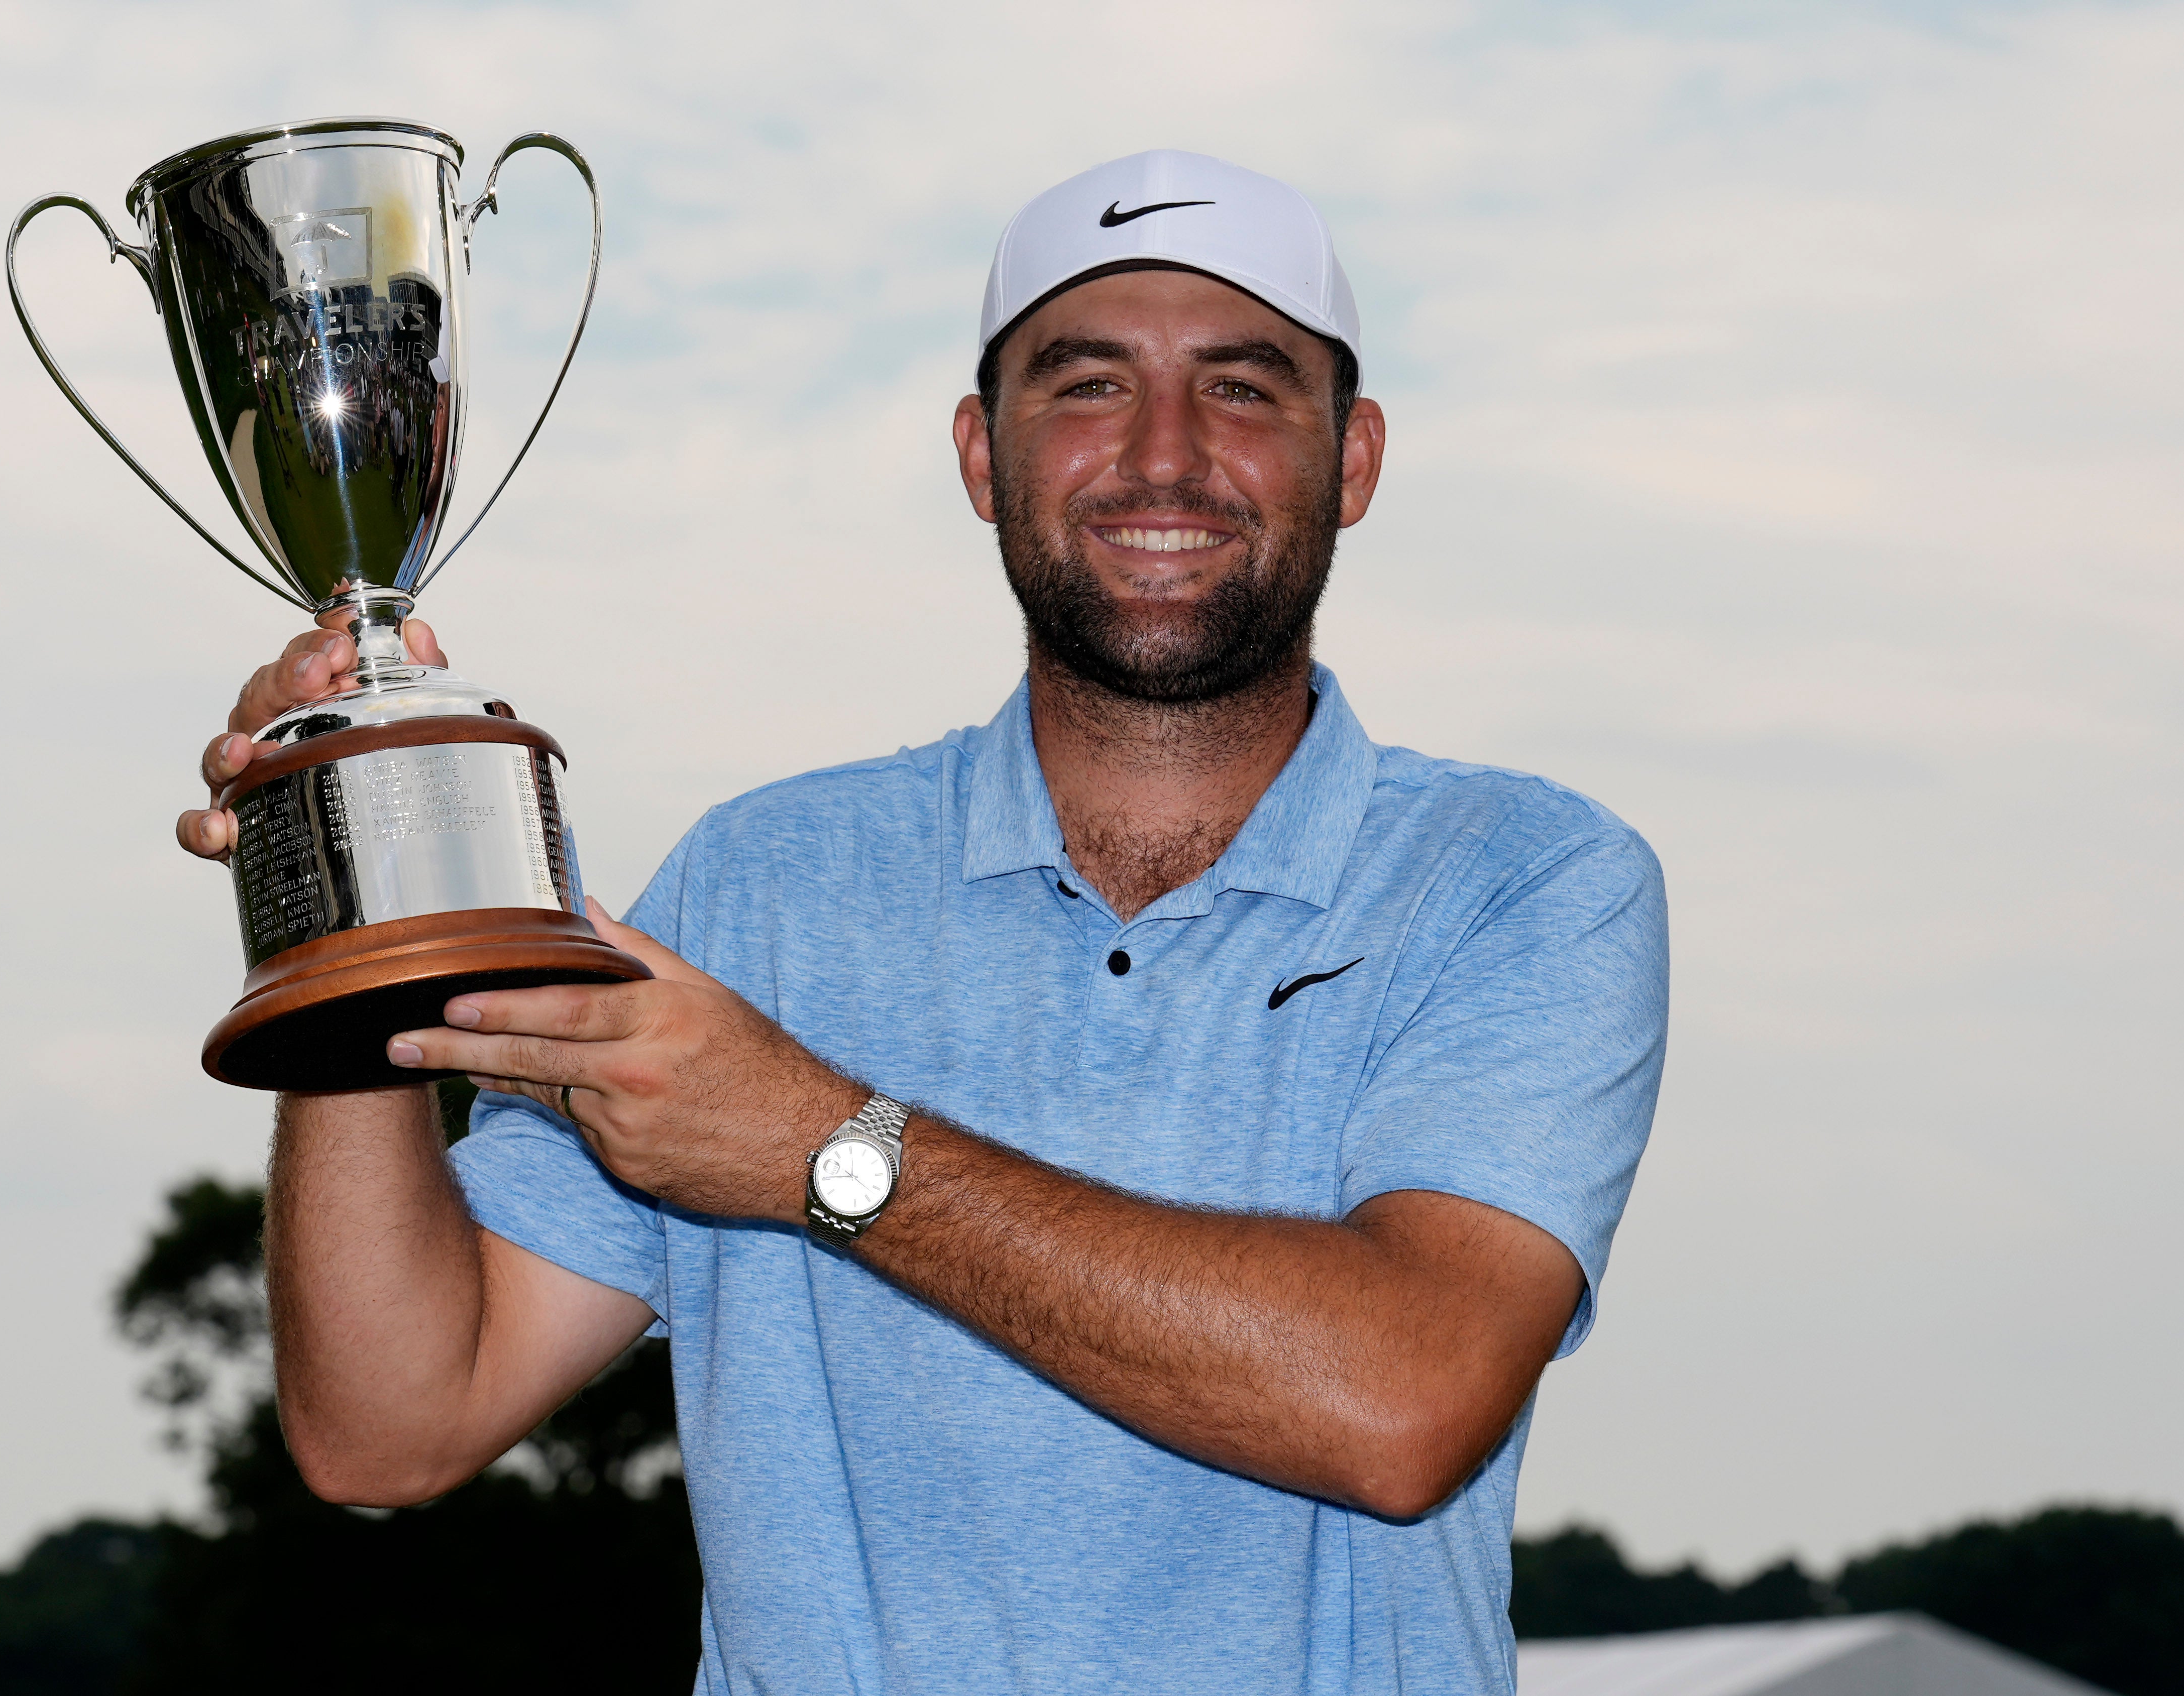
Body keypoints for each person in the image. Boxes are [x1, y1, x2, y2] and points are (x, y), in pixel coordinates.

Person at [176, 150, 1668, 1694]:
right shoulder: (762, 881)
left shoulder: (1521, 875)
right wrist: (327, 911)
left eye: (1241, 388)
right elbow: (391, 1421)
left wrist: (821, 1147)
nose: (1163, 455)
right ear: (981, 452)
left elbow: (1403, 1396)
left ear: (1350, 457)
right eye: (1085, 386)